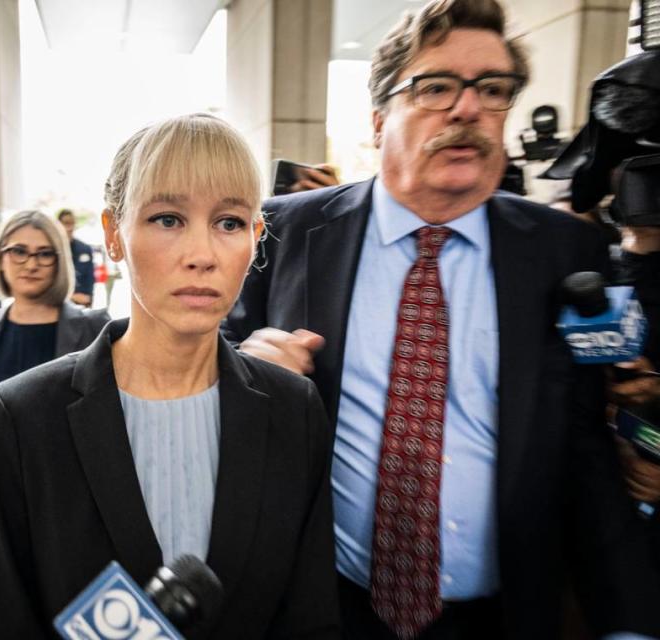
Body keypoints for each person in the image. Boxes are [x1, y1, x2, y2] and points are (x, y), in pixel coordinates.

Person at [222, 0, 660, 638]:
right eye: (434, 88)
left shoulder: (564, 251)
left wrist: (630, 621)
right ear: (377, 121)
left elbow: (585, 452)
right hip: (327, 606)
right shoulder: (286, 232)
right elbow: (207, 363)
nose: (467, 108)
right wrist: (240, 370)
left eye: (492, 88)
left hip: (506, 614)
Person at [0, 113, 339, 638]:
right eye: (167, 218)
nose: (202, 255)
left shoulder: (293, 408)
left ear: (256, 238)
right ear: (113, 235)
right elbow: (2, 620)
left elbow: (309, 617)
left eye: (229, 222)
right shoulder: (24, 415)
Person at [0, 210, 109, 387]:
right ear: (0, 259)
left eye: (45, 254)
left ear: (59, 262)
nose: (31, 265)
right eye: (19, 251)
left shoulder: (95, 329)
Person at [57, 208, 96, 307]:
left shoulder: (85, 249)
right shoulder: (51, 250)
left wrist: (88, 298)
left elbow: (90, 278)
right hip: (59, 304)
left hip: (83, 305)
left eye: (72, 223)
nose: (69, 228)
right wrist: (71, 296)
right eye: (66, 223)